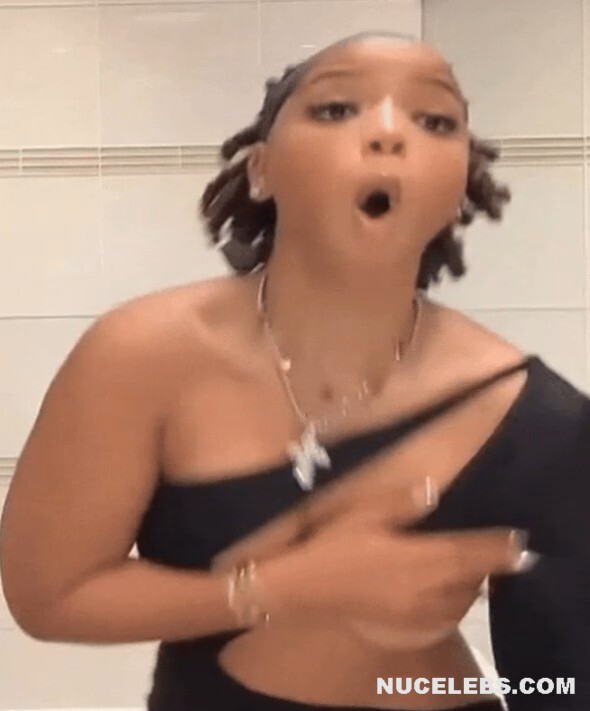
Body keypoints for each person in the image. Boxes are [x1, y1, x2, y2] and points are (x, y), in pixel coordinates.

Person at [0, 29, 588, 711]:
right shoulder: (141, 354)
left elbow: (561, 682)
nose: (389, 133)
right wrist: (282, 587)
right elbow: (49, 595)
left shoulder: (535, 417)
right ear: (261, 170)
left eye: (435, 121)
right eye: (337, 108)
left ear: (458, 190)